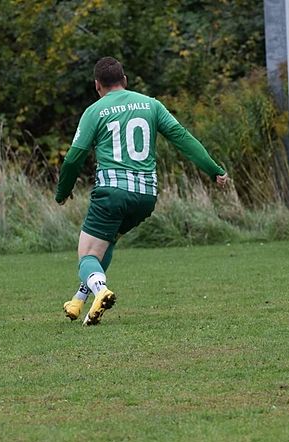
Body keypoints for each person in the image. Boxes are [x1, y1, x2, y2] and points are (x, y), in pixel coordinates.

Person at [55, 57, 229, 326]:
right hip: (146, 197)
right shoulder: (151, 105)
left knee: (87, 255)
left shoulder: (94, 111)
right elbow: (182, 138)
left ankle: (101, 291)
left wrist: (62, 192)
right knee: (107, 241)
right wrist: (213, 169)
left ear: (97, 85)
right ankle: (79, 301)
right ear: (124, 80)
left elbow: (73, 159)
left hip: (112, 193)